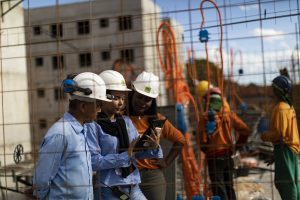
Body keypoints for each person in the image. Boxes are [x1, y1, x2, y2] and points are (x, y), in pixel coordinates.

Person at [32, 72, 111, 200]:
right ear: (83, 106)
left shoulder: (82, 129)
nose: (100, 110)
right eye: (98, 105)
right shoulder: (61, 134)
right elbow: (41, 178)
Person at [86, 70, 162, 200]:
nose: (121, 103)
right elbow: (93, 161)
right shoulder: (92, 126)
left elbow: (136, 153)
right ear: (102, 96)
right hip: (109, 190)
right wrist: (125, 156)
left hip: (133, 186)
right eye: (116, 98)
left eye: (122, 98)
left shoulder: (126, 122)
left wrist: (152, 147)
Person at [128, 71, 186, 200]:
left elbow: (180, 140)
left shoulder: (157, 120)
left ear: (153, 101)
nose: (142, 102)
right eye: (139, 96)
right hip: (127, 176)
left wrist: (166, 162)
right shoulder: (121, 118)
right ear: (133, 94)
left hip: (152, 176)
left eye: (147, 99)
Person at [199, 87, 250, 200]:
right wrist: (238, 146)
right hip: (228, 155)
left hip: (214, 157)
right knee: (229, 187)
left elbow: (202, 142)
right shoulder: (229, 114)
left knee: (219, 190)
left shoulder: (204, 117)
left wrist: (206, 150)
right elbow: (245, 130)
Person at [261, 75, 300, 200]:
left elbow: (280, 134)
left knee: (286, 184)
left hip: (286, 150)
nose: (272, 92)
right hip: (289, 150)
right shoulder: (289, 107)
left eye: (273, 89)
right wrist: (275, 154)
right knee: (293, 183)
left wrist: (264, 135)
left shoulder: (281, 108)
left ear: (277, 90)